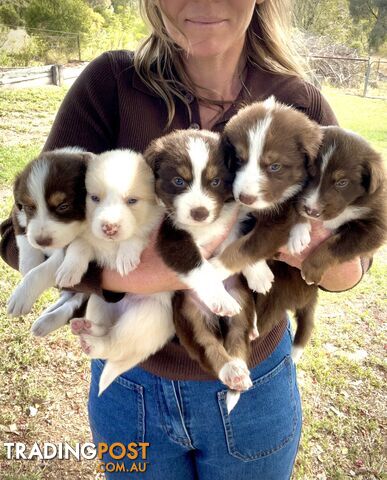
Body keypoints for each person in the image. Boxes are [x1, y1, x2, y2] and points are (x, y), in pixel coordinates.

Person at [1, 1, 369, 478]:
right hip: (131, 391)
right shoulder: (111, 83)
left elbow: (352, 268)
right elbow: (19, 236)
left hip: (256, 382)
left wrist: (322, 254)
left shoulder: (299, 104)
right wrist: (143, 274)